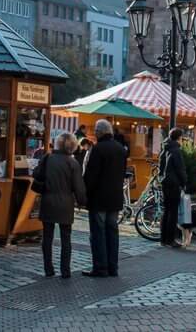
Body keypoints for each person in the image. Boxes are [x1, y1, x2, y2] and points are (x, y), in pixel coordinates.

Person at [35, 132, 86, 278]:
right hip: (66, 204)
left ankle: (48, 268)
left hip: (48, 201)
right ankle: (65, 270)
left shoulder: (48, 158)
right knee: (66, 238)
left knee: (47, 237)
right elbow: (79, 187)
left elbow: (37, 174)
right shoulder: (73, 163)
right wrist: (83, 201)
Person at [82, 119, 127, 277]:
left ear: (100, 132)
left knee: (98, 233)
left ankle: (100, 267)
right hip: (115, 198)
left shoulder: (98, 149)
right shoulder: (121, 149)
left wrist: (84, 194)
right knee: (112, 232)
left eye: (95, 130)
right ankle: (113, 267)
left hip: (99, 199)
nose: (94, 133)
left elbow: (90, 176)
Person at [158, 128, 187, 248]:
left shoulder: (165, 149)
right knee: (173, 212)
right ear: (179, 137)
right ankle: (170, 239)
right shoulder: (176, 151)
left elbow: (161, 168)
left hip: (165, 183)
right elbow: (180, 169)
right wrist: (184, 182)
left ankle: (163, 239)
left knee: (166, 211)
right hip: (174, 184)